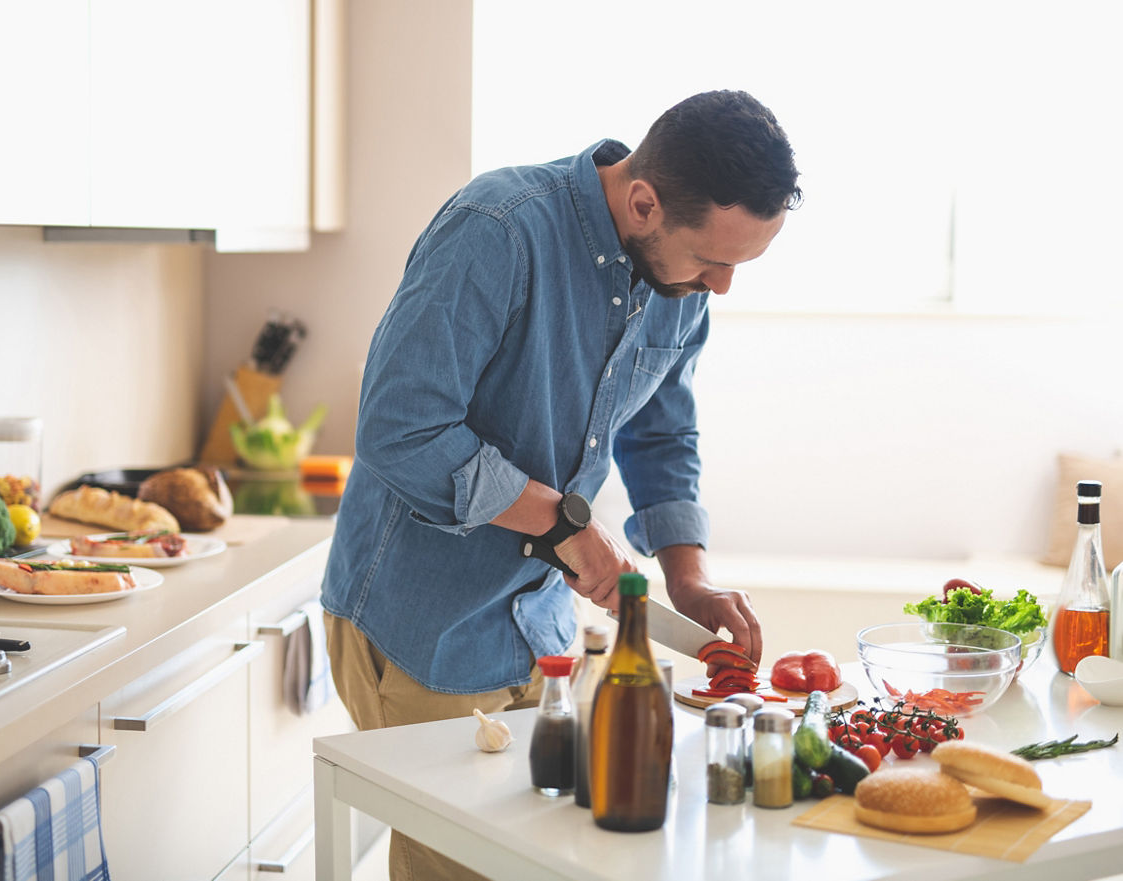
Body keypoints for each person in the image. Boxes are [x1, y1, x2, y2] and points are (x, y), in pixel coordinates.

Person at [321, 89, 802, 881]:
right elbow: (400, 428)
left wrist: (690, 576)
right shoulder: (499, 230)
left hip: (540, 631)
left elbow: (661, 429)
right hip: (421, 630)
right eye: (715, 260)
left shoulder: (676, 286)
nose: (722, 286)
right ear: (643, 201)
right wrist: (560, 522)